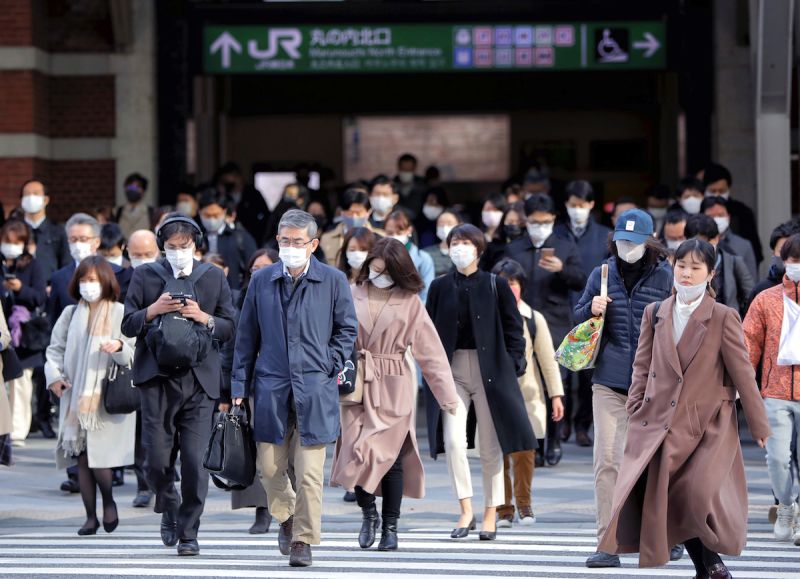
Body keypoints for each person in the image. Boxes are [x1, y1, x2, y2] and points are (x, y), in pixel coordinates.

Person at [599, 239, 770, 578]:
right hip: (661, 422)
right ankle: (708, 569)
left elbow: (743, 374)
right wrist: (635, 402)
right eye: (681, 266)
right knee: (671, 498)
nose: (687, 274)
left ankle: (713, 565)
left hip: (708, 424)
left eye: (695, 268)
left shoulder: (723, 316)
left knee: (695, 495)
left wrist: (759, 424)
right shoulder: (657, 312)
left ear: (711, 274)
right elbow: (642, 364)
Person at [231, 209, 357, 567]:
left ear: (313, 244)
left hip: (315, 388)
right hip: (271, 387)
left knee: (310, 474)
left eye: (297, 242)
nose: (289, 247)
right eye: (284, 241)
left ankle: (303, 539)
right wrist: (239, 384)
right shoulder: (262, 280)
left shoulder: (333, 281)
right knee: (269, 469)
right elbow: (246, 336)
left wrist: (329, 363)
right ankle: (286, 517)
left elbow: (347, 329)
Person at [330, 238, 461, 551]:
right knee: (357, 453)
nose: (380, 275)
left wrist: (447, 395)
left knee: (392, 459)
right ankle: (368, 513)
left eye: (387, 271)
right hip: (357, 384)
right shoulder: (350, 293)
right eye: (375, 269)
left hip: (394, 383)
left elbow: (430, 352)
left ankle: (391, 526)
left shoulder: (411, 301)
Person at [122, 214, 236, 556]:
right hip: (156, 379)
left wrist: (204, 317)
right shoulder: (145, 275)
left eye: (183, 247)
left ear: (195, 245)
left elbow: (230, 326)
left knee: (193, 461)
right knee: (155, 461)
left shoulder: (213, 276)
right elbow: (127, 325)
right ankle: (169, 504)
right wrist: (153, 310)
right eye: (171, 248)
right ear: (162, 248)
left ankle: (189, 532)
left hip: (199, 381)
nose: (177, 253)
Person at [573, 208, 673, 568]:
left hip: (655, 386)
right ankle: (607, 542)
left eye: (633, 242)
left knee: (655, 464)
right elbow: (577, 315)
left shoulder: (666, 276)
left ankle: (664, 535)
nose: (626, 247)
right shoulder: (601, 273)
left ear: (649, 243)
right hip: (610, 383)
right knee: (608, 462)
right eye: (621, 241)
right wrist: (591, 308)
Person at [424, 224, 536, 541]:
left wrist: (514, 363)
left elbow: (515, 329)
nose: (460, 248)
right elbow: (428, 332)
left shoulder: (495, 285)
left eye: (466, 242)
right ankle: (465, 509)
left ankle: (490, 512)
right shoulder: (439, 287)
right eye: (455, 242)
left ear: (479, 248)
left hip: (491, 371)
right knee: (455, 442)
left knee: (490, 445)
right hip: (452, 370)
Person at [45, 256, 136, 536]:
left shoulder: (120, 312)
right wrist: (55, 377)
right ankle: (90, 517)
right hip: (74, 397)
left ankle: (109, 502)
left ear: (106, 282)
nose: (88, 286)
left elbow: (133, 352)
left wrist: (119, 346)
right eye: (83, 281)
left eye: (93, 280)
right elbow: (54, 350)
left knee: (101, 460)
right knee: (82, 458)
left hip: (105, 397)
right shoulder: (70, 314)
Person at [505, 193, 586, 465]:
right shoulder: (515, 248)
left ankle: (552, 441)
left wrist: (561, 269)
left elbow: (580, 281)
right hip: (522, 322)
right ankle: (531, 442)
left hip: (554, 322)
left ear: (553, 221)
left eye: (545, 222)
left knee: (555, 383)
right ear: (526, 221)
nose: (540, 227)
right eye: (534, 222)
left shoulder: (564, 246)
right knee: (526, 383)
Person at [492, 259, 564, 527]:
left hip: (528, 393)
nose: (509, 288)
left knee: (525, 452)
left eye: (513, 283)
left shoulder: (534, 318)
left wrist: (556, 395)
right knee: (498, 452)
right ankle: (503, 508)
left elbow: (548, 359)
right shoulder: (487, 315)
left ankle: (524, 506)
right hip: (496, 392)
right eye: (504, 282)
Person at [743, 233, 800, 543]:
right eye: (792, 261)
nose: (796, 266)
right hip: (775, 392)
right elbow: (748, 343)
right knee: (777, 458)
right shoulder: (766, 299)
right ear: (782, 262)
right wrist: (742, 384)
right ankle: (787, 507)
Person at [554, 180, 611, 447]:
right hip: (559, 308)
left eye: (582, 205)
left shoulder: (603, 235)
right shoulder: (557, 235)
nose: (577, 210)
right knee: (564, 370)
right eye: (572, 205)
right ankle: (563, 423)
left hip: (592, 312)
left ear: (591, 205)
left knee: (589, 373)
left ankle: (582, 425)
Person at [1, 220, 47, 446]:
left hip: (24, 333)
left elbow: (39, 297)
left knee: (21, 382)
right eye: (7, 241)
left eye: (15, 242)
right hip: (3, 330)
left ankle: (18, 430)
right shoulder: (2, 264)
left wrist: (20, 289)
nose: (10, 246)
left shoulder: (33, 265)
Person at [685, 214, 755, 316]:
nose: (701, 247)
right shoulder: (680, 265)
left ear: (717, 239)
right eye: (696, 242)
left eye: (706, 241)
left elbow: (750, 297)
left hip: (726, 323)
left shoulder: (734, 262)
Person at [703, 162, 763, 266]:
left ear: (729, 188)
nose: (717, 194)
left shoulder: (743, 212)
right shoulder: (698, 212)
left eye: (721, 191)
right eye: (713, 190)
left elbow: (755, 252)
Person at [197, 188, 258, 291]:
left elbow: (253, 271)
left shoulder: (241, 238)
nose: (212, 220)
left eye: (216, 215)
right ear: (199, 212)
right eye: (207, 215)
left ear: (224, 212)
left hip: (233, 297)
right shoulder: (195, 237)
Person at [19, 179, 71, 280]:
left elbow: (66, 264)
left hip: (50, 288)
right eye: (26, 194)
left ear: (46, 200)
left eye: (35, 193)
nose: (31, 198)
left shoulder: (58, 232)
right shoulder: (12, 231)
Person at [320, 189, 382, 267]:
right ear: (341, 212)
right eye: (349, 213)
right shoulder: (327, 238)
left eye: (359, 213)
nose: (354, 217)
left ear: (368, 212)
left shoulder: (380, 237)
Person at [214, 162, 270, 246]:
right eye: (225, 181)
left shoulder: (252, 194)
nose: (231, 183)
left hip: (252, 236)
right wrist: (221, 193)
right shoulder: (221, 196)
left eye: (234, 177)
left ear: (239, 177)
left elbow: (264, 218)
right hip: (227, 239)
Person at [702, 196, 758, 280]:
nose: (716, 219)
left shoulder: (744, 245)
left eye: (720, 215)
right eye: (711, 216)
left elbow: (751, 281)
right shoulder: (695, 244)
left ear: (728, 216)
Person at [384, 210, 434, 302]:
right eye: (390, 233)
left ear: (409, 230)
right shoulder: (378, 258)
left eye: (399, 233)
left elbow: (426, 294)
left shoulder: (423, 258)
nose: (394, 236)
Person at [749, 219, 800, 307]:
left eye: (793, 253)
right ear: (773, 253)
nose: (787, 258)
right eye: (782, 251)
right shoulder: (761, 291)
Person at [480, 203, 526, 272]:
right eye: (510, 221)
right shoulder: (492, 247)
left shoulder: (530, 248)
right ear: (503, 221)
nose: (514, 225)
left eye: (519, 222)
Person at [115, 173, 155, 239]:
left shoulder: (151, 213)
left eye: (137, 187)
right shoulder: (117, 212)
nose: (133, 189)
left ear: (143, 191)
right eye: (130, 186)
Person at [422, 210, 461, 277]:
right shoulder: (425, 253)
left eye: (449, 223)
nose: (444, 227)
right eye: (441, 224)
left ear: (459, 225)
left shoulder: (466, 253)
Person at [393, 153, 427, 219]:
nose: (406, 173)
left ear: (414, 168)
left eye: (409, 170)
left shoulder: (423, 186)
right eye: (403, 170)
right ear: (399, 168)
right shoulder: (392, 185)